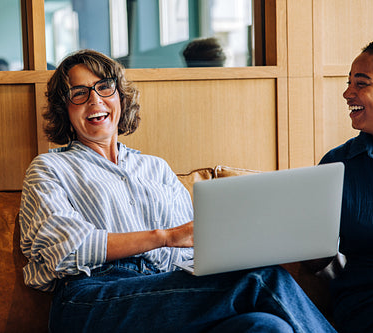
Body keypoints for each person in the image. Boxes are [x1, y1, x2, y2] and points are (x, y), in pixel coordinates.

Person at [19, 49, 336, 332]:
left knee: (267, 326)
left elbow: (195, 247)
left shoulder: (156, 168)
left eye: (104, 87)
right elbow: (66, 249)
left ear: (120, 98)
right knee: (261, 279)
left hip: (168, 292)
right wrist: (165, 236)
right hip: (92, 298)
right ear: (65, 108)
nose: (95, 100)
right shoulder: (48, 168)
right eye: (79, 93)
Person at [316, 37, 373, 332]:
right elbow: (315, 257)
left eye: (361, 84)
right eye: (349, 82)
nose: (347, 93)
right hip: (366, 302)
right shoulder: (337, 165)